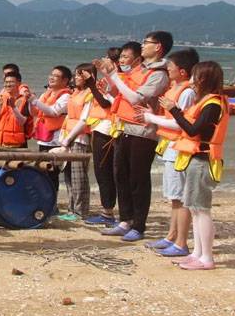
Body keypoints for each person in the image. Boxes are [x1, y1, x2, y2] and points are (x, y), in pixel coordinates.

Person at [100, 32, 173, 242]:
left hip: (143, 132)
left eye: (146, 42)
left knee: (138, 179)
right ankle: (125, 220)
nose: (143, 45)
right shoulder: (139, 71)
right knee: (120, 175)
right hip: (124, 128)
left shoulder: (159, 74)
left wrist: (114, 75)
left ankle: (139, 225)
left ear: (158, 46)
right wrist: (109, 76)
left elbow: (135, 98)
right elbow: (120, 96)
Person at [160, 61, 229, 270]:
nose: (191, 82)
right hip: (193, 158)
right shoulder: (206, 102)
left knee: (201, 209)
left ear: (203, 79)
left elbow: (193, 130)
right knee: (193, 207)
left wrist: (175, 111)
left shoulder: (212, 105)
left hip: (202, 160)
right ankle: (197, 253)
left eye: (194, 77)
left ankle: (206, 257)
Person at [141, 48, 200, 257]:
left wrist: (151, 119)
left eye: (171, 67)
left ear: (182, 71)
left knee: (181, 197)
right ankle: (171, 235)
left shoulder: (186, 93)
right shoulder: (177, 89)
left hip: (180, 148)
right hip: (170, 147)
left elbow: (179, 124)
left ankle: (181, 242)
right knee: (174, 196)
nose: (168, 70)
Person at [83, 47, 122, 226]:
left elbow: (106, 102)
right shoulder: (112, 79)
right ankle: (108, 210)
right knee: (103, 171)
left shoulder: (118, 79)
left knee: (104, 171)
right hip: (100, 127)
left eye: (108, 58)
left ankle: (109, 212)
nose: (104, 60)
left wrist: (92, 84)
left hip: (108, 128)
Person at [56, 63, 99, 221]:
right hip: (68, 136)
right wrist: (63, 136)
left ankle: (80, 211)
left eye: (80, 75)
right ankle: (71, 208)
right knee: (68, 174)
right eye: (76, 75)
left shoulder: (90, 94)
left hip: (80, 139)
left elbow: (84, 120)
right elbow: (68, 116)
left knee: (79, 176)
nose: (76, 78)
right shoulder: (75, 93)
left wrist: (68, 139)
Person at [29, 65, 72, 195]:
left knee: (53, 173)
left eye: (56, 76)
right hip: (43, 138)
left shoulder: (66, 96)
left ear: (65, 81)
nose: (51, 78)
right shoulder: (46, 94)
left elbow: (53, 112)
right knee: (43, 172)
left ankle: (53, 203)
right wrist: (30, 102)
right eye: (51, 75)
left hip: (56, 140)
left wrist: (35, 101)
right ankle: (46, 200)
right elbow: (35, 112)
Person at [0, 71, 31, 148]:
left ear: (19, 83)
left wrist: (14, 107)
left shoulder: (24, 100)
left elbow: (22, 121)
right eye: (6, 82)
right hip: (0, 143)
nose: (8, 84)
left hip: (17, 144)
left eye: (11, 82)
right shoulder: (1, 98)